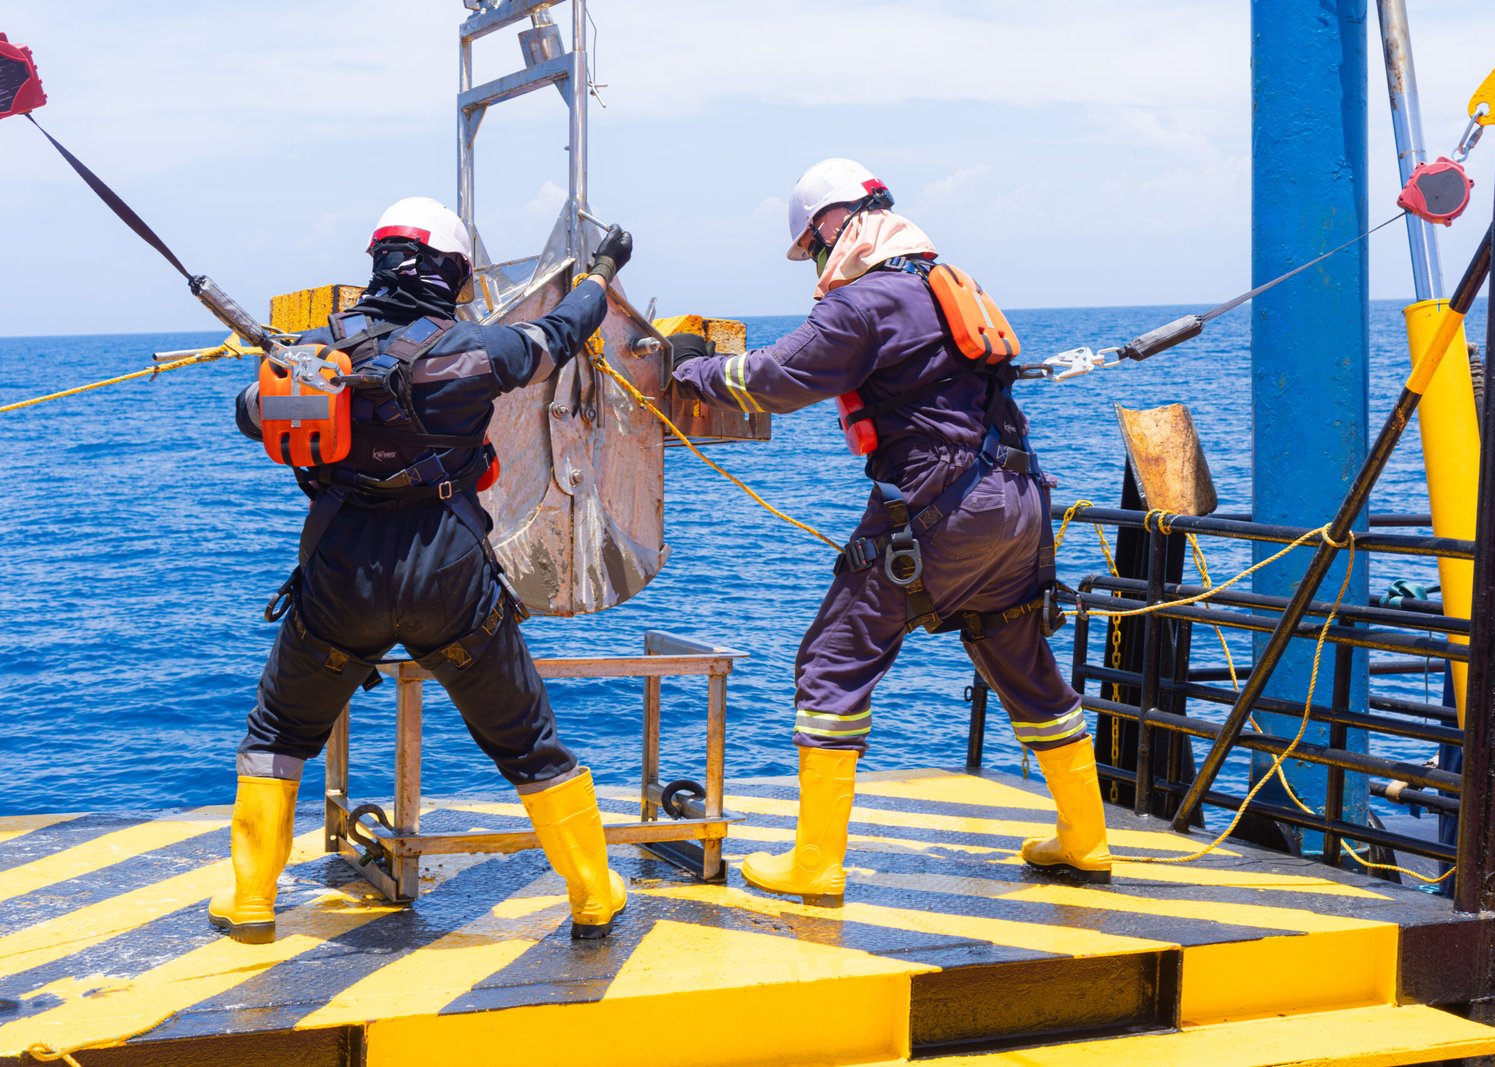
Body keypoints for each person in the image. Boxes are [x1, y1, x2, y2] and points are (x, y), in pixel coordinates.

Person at [670, 160, 1111, 904]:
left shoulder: (865, 303)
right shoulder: (945, 285)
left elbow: (776, 380)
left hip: (943, 506)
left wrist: (697, 371)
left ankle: (815, 863)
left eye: (813, 246)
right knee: (1018, 655)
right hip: (1019, 499)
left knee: (833, 659)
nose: (814, 263)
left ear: (835, 225)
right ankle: (1086, 838)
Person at [212, 197, 633, 942]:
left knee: (279, 729)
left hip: (342, 578)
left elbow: (250, 412)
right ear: (454, 272)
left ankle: (250, 900)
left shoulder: (320, 353)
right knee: (526, 740)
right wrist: (601, 269)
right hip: (450, 579)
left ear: (374, 262)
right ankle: (594, 894)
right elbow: (560, 334)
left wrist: (290, 365)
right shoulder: (479, 352)